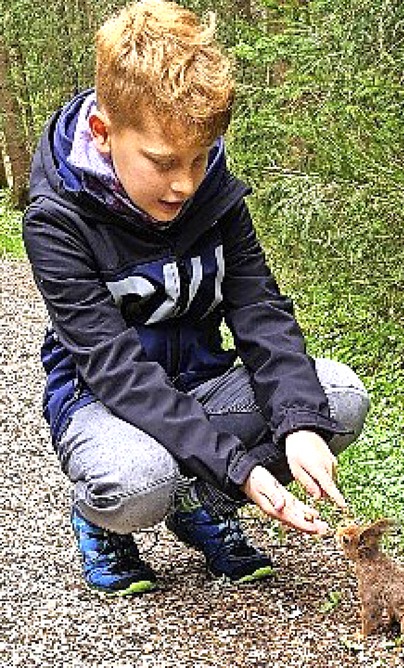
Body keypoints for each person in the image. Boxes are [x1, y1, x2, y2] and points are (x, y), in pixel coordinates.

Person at [22, 0, 369, 596]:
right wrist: (238, 467)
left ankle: (197, 504)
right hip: (105, 400)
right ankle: (102, 520)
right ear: (104, 134)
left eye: (200, 157)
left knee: (334, 400)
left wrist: (298, 425)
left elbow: (259, 309)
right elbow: (116, 370)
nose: (185, 182)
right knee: (136, 484)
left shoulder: (212, 194)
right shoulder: (55, 221)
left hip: (202, 384)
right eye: (162, 162)